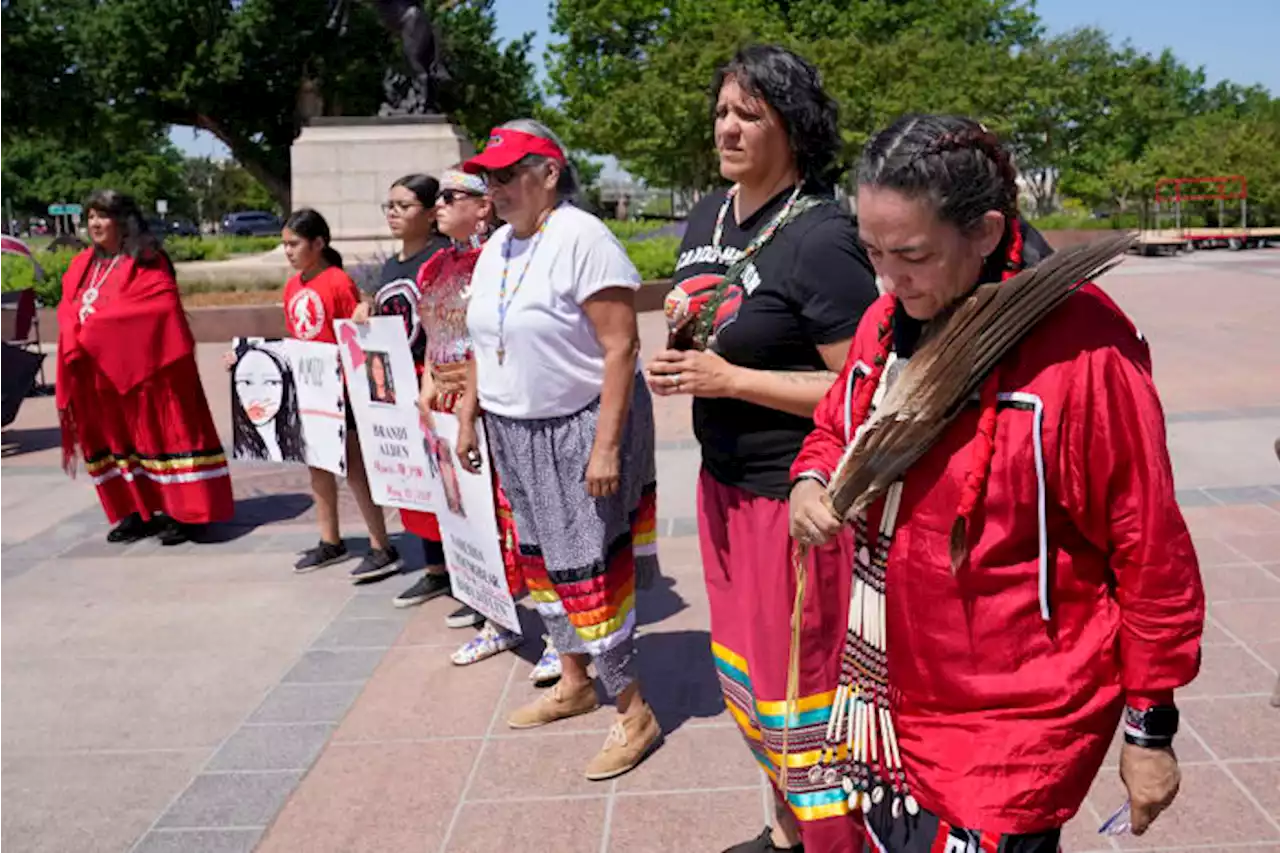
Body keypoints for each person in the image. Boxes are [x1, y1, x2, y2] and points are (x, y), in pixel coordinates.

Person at [787, 114, 1205, 852]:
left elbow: (1151, 553)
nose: (887, 278)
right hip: (888, 699)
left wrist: (1150, 729)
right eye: (873, 252)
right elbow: (834, 425)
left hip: (1010, 725)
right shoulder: (886, 322)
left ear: (983, 231)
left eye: (911, 254)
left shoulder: (1084, 357)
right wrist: (810, 481)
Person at [645, 45, 879, 853]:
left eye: (750, 114)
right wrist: (680, 362)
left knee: (806, 692)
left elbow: (864, 388)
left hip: (796, 499)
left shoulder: (823, 238)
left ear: (795, 128)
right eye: (721, 111)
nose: (728, 127)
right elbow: (706, 316)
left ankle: (835, 843)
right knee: (751, 679)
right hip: (723, 485)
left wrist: (732, 378)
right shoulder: (709, 213)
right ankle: (787, 831)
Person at [459, 119, 662, 779]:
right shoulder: (496, 247)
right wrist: (468, 414)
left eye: (510, 173)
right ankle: (573, 680)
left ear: (549, 172)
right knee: (542, 564)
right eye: (489, 175)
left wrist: (605, 448)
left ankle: (634, 711)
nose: (496, 187)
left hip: (577, 428)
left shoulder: (582, 237)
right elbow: (484, 343)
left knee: (589, 573)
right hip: (515, 430)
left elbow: (620, 347)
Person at [56, 190, 232, 546]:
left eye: (102, 216)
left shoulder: (147, 259)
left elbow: (160, 309)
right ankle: (137, 511)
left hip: (153, 373)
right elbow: (68, 306)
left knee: (165, 439)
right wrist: (77, 327)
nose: (94, 223)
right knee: (117, 443)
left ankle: (188, 515)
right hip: (98, 376)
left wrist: (95, 329)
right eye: (90, 216)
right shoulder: (83, 265)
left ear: (123, 221)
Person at [254, 208, 399, 576]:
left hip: (342, 391)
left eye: (294, 244)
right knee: (318, 468)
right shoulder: (293, 286)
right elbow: (296, 338)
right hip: (311, 389)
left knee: (354, 469)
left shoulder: (336, 281)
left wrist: (365, 309)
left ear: (318, 244)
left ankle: (381, 543)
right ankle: (329, 539)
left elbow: (355, 329)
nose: (287, 251)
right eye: (284, 244)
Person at [351, 174, 450, 586]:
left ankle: (467, 572)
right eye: (388, 206)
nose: (393, 214)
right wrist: (367, 310)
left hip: (436, 383)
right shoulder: (392, 264)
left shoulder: (443, 258)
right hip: (398, 384)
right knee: (417, 482)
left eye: (403, 206)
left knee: (447, 483)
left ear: (430, 214)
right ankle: (435, 568)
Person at [231, 340, 306, 463]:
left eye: (271, 382)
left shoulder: (295, 443)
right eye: (246, 382)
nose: (257, 396)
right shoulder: (245, 449)